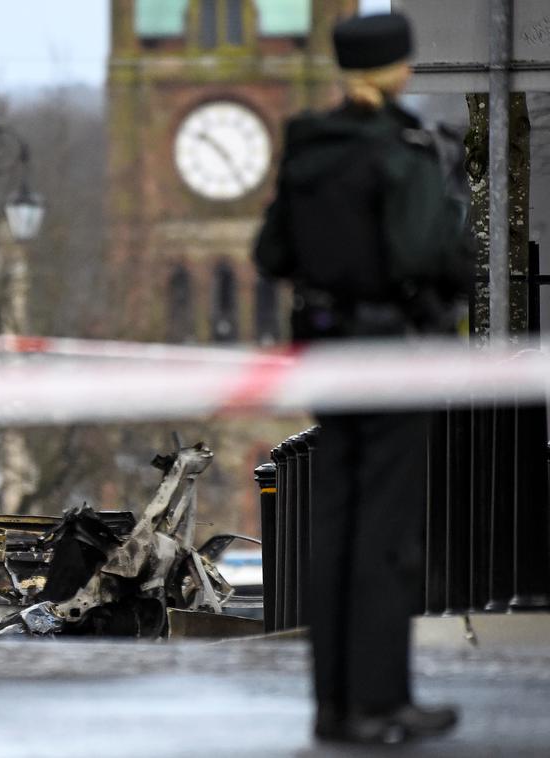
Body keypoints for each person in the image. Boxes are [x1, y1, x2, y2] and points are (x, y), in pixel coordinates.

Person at [253, 12, 472, 746]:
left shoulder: (309, 148)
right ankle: (381, 703)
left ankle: (332, 704)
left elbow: (272, 251)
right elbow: (427, 251)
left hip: (326, 350)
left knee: (337, 530)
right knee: (385, 535)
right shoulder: (400, 148)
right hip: (390, 354)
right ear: (398, 68)